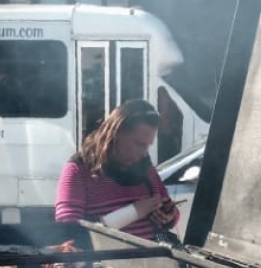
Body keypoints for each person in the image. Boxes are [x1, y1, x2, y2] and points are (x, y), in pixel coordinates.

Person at [55, 98, 179, 241]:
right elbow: (69, 234)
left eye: (148, 146)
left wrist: (169, 216)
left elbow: (170, 211)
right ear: (115, 134)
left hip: (154, 260)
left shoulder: (146, 169)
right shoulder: (78, 171)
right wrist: (133, 212)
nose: (144, 153)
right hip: (108, 261)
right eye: (139, 144)